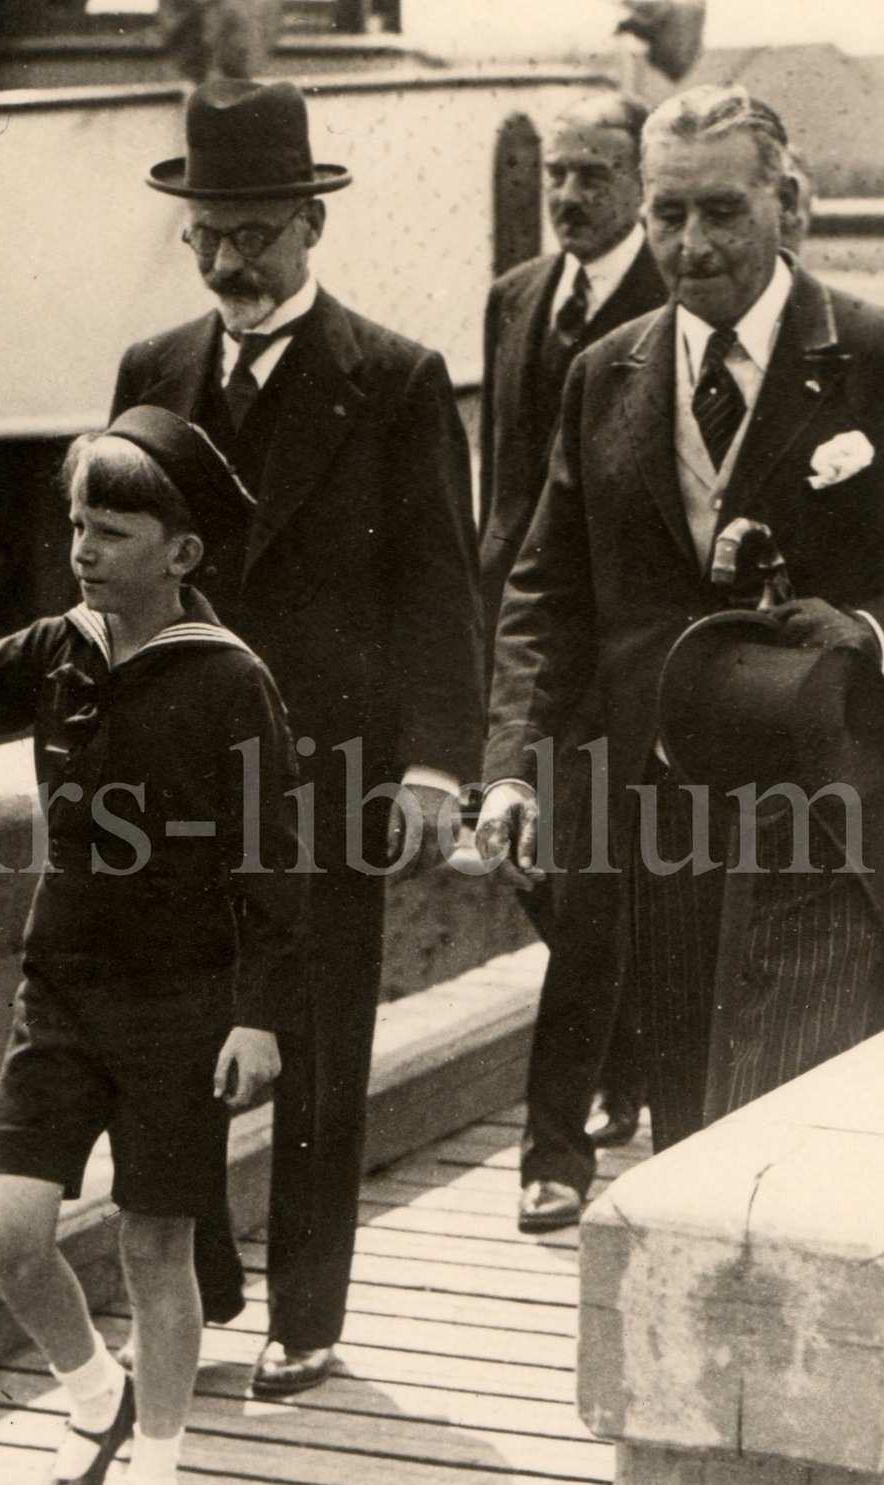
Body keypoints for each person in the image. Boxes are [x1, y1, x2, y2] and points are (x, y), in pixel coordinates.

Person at [0, 409, 303, 1485]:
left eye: (110, 530)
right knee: (10, 1231)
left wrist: (258, 1012)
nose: (82, 550)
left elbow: (277, 856)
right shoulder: (56, 648)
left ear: (182, 553)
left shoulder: (231, 681)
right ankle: (93, 1395)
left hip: (182, 1005)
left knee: (155, 1247)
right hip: (60, 991)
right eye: (74, 526)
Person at [111, 79, 483, 1398]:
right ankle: (207, 1288)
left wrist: (437, 769)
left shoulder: (392, 380)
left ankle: (306, 1315)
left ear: (308, 227)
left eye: (255, 235)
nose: (230, 263)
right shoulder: (152, 374)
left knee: (319, 1047)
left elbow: (445, 591)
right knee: (184, 1030)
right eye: (208, 234)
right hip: (183, 784)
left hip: (334, 775)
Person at [478, 83, 884, 1166]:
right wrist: (514, 768)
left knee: (817, 1118)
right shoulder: (602, 376)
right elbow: (547, 587)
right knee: (690, 1111)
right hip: (662, 812)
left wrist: (863, 632)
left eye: (721, 212)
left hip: (831, 806)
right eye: (667, 214)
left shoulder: (871, 353)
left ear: (786, 203)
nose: (690, 246)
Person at [480, 90, 667, 1234]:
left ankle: (553, 1148)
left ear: (640, 182)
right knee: (534, 874)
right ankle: (633, 1049)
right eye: (557, 172)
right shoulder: (514, 299)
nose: (570, 194)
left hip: (628, 660)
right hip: (530, 651)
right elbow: (508, 493)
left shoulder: (666, 304)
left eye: (595, 172)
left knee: (590, 893)